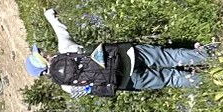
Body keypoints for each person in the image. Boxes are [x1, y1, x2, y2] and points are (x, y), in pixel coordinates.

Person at [27, 8, 208, 96]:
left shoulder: (66, 87)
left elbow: (94, 88)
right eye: (41, 52)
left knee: (171, 79)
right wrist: (49, 16)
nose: (44, 50)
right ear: (43, 59)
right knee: (171, 57)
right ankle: (211, 56)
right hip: (126, 54)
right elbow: (61, 30)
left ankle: (211, 80)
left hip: (126, 81)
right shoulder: (65, 50)